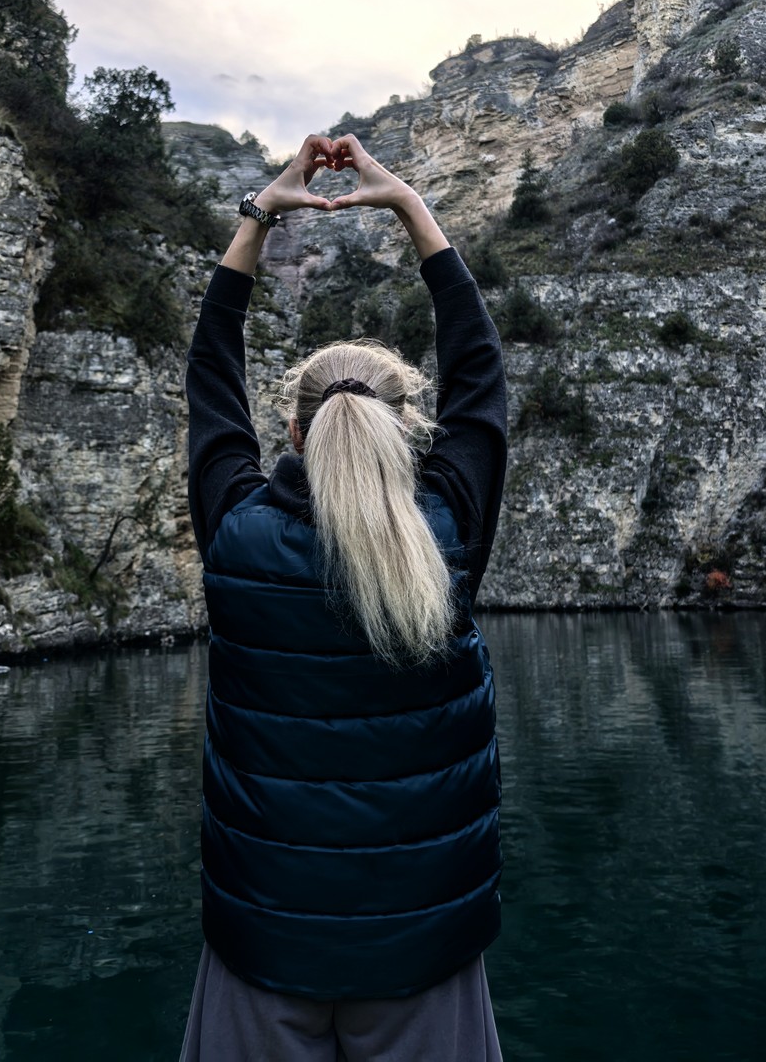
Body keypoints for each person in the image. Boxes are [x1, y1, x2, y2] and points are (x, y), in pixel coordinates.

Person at [181, 133, 508, 1061]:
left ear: (289, 428)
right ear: (413, 431)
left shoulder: (238, 535)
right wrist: (411, 207)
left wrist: (261, 214)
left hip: (262, 945)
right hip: (423, 952)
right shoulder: (445, 536)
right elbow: (482, 380)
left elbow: (209, 375)